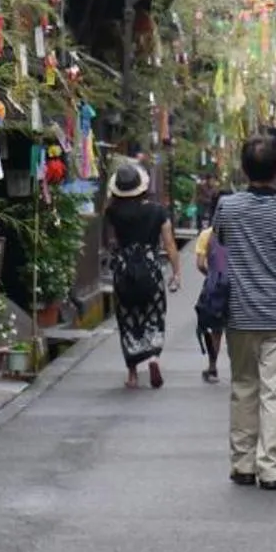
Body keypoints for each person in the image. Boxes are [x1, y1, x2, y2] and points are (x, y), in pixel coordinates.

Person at [211, 134, 276, 489]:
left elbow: (218, 254)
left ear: (243, 169)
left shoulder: (227, 208)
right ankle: (271, 469)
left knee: (243, 386)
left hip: (239, 313)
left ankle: (242, 464)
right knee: (275, 391)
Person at [104, 161, 177, 388]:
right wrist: (176, 273)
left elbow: (111, 242)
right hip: (151, 268)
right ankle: (153, 357)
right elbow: (170, 244)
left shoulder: (112, 213)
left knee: (128, 319)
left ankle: (132, 374)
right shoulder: (158, 211)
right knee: (154, 314)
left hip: (124, 270)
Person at [191, 191, 229, 382]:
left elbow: (200, 264)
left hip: (215, 286)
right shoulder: (243, 233)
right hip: (239, 286)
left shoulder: (207, 234)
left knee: (215, 328)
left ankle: (212, 368)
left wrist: (212, 275)